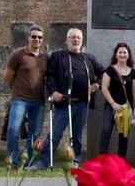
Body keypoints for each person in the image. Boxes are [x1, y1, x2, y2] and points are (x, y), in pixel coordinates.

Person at [31, 28, 104, 170]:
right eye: (72, 37)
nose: (75, 40)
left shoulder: (89, 58)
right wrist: (54, 92)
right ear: (66, 40)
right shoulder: (58, 56)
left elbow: (104, 72)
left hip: (82, 104)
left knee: (77, 137)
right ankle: (43, 163)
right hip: (64, 104)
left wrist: (97, 84)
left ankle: (75, 161)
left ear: (82, 40)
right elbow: (50, 76)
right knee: (54, 135)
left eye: (78, 37)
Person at [4, 24, 48, 169]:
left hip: (38, 101)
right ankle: (13, 163)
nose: (37, 39)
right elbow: (8, 77)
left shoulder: (45, 57)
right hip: (19, 100)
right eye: (34, 36)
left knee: (34, 135)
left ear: (42, 40)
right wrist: (16, 91)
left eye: (39, 37)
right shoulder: (18, 54)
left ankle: (26, 163)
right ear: (28, 37)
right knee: (12, 131)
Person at [99, 42, 135, 158]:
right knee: (106, 131)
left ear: (128, 55)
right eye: (120, 52)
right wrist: (113, 103)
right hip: (111, 107)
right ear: (116, 55)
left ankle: (121, 162)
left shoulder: (132, 72)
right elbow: (104, 89)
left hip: (126, 108)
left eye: (124, 52)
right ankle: (102, 161)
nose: (122, 54)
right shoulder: (110, 70)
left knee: (123, 135)